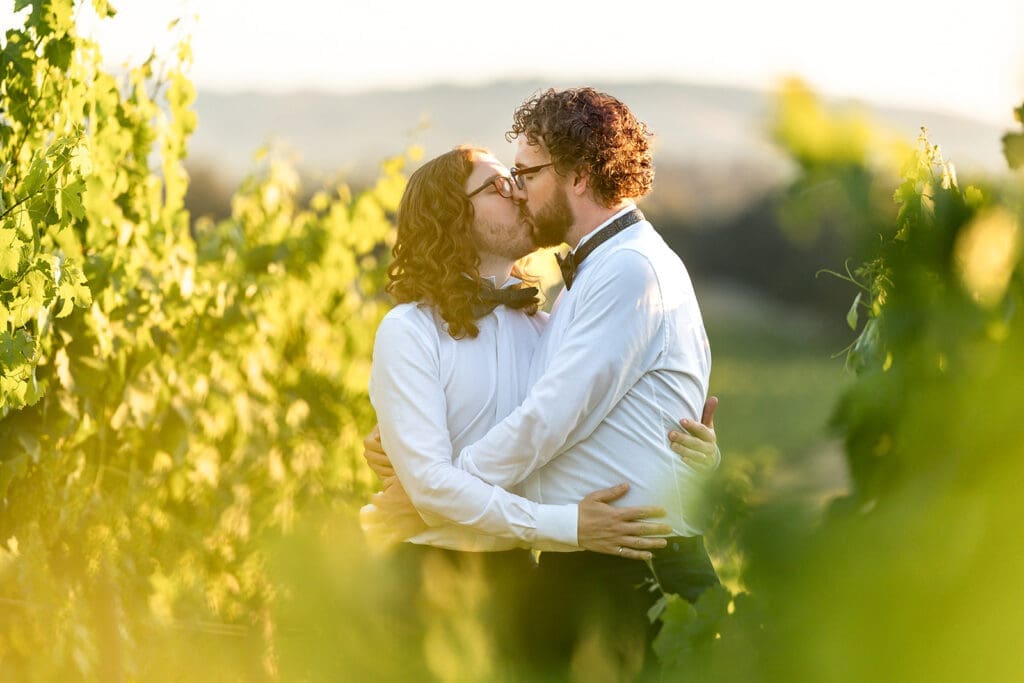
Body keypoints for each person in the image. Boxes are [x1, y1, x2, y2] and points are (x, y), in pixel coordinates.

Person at [376, 87, 719, 677]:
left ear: (579, 177)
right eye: (502, 181)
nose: (518, 189)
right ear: (453, 217)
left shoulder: (616, 276)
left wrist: (432, 493)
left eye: (525, 174)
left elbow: (550, 418)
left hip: (621, 565)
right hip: (544, 571)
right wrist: (423, 477)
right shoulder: (559, 300)